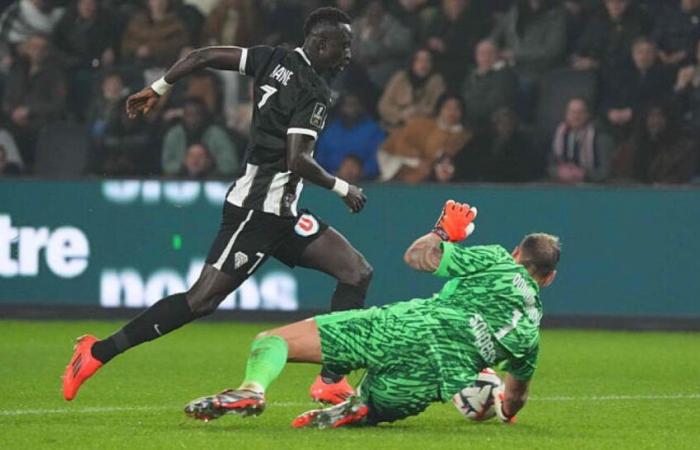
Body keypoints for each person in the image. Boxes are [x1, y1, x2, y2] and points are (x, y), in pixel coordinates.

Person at [62, 6, 373, 406]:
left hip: (285, 213)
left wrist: (158, 87)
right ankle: (96, 353)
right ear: (320, 43)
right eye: (343, 45)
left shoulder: (272, 58)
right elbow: (298, 159)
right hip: (256, 213)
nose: (348, 54)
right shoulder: (313, 91)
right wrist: (343, 187)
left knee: (356, 272)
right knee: (201, 300)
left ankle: (331, 379)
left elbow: (203, 56)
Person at [182, 200, 560, 429]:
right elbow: (514, 399)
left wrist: (443, 232)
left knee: (273, 340)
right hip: (429, 382)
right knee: (373, 404)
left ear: (516, 254)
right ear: (550, 277)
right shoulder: (530, 335)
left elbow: (418, 258)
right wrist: (503, 412)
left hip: (404, 328)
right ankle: (363, 408)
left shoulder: (498, 262)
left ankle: (252, 389)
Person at [378, 94, 471, 183]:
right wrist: (417, 162)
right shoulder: (420, 125)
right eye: (447, 108)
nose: (452, 112)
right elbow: (398, 146)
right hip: (401, 168)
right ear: (439, 109)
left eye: (456, 109)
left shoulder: (464, 137)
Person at [612, 103, 697, 184]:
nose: (655, 121)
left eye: (660, 116)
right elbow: (619, 178)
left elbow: (682, 178)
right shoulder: (629, 149)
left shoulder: (683, 149)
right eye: (651, 116)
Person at [161, 97, 239, 177]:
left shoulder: (217, 134)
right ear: (183, 116)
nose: (193, 119)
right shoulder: (174, 134)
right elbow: (166, 165)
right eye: (189, 115)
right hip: (180, 181)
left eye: (197, 114)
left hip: (212, 181)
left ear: (204, 115)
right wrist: (184, 166)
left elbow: (231, 166)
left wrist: (210, 166)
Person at [316, 92, 385, 181]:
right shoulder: (330, 130)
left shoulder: (374, 130)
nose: (350, 109)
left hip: (367, 183)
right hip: (330, 181)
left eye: (354, 104)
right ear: (341, 107)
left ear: (362, 106)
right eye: (346, 104)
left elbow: (380, 159)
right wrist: (331, 175)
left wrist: (360, 173)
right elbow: (319, 160)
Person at [377, 47, 446, 130]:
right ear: (412, 62)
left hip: (422, 128)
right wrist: (401, 114)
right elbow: (383, 106)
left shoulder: (436, 81)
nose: (423, 64)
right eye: (419, 60)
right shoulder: (400, 77)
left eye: (427, 60)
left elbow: (439, 108)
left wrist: (418, 110)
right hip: (394, 127)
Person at [549, 98, 613, 183]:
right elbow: (550, 165)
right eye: (572, 112)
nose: (576, 116)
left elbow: (605, 172)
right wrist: (559, 172)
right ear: (566, 115)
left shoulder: (600, 137)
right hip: (563, 186)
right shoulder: (559, 135)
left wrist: (584, 174)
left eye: (580, 112)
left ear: (587, 115)